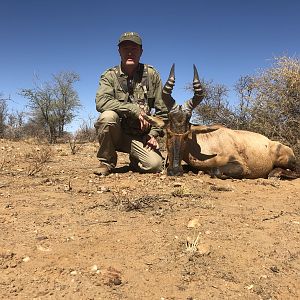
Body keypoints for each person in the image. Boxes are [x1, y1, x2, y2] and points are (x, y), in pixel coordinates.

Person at [94, 32, 168, 176]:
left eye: (134, 48)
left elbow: (162, 111)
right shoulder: (109, 75)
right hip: (117, 134)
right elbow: (101, 102)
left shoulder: (152, 74)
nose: (129, 52)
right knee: (107, 117)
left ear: (141, 51)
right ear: (119, 51)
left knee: (156, 165)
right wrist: (133, 110)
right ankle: (106, 162)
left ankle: (136, 159)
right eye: (125, 48)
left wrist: (153, 134)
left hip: (141, 137)